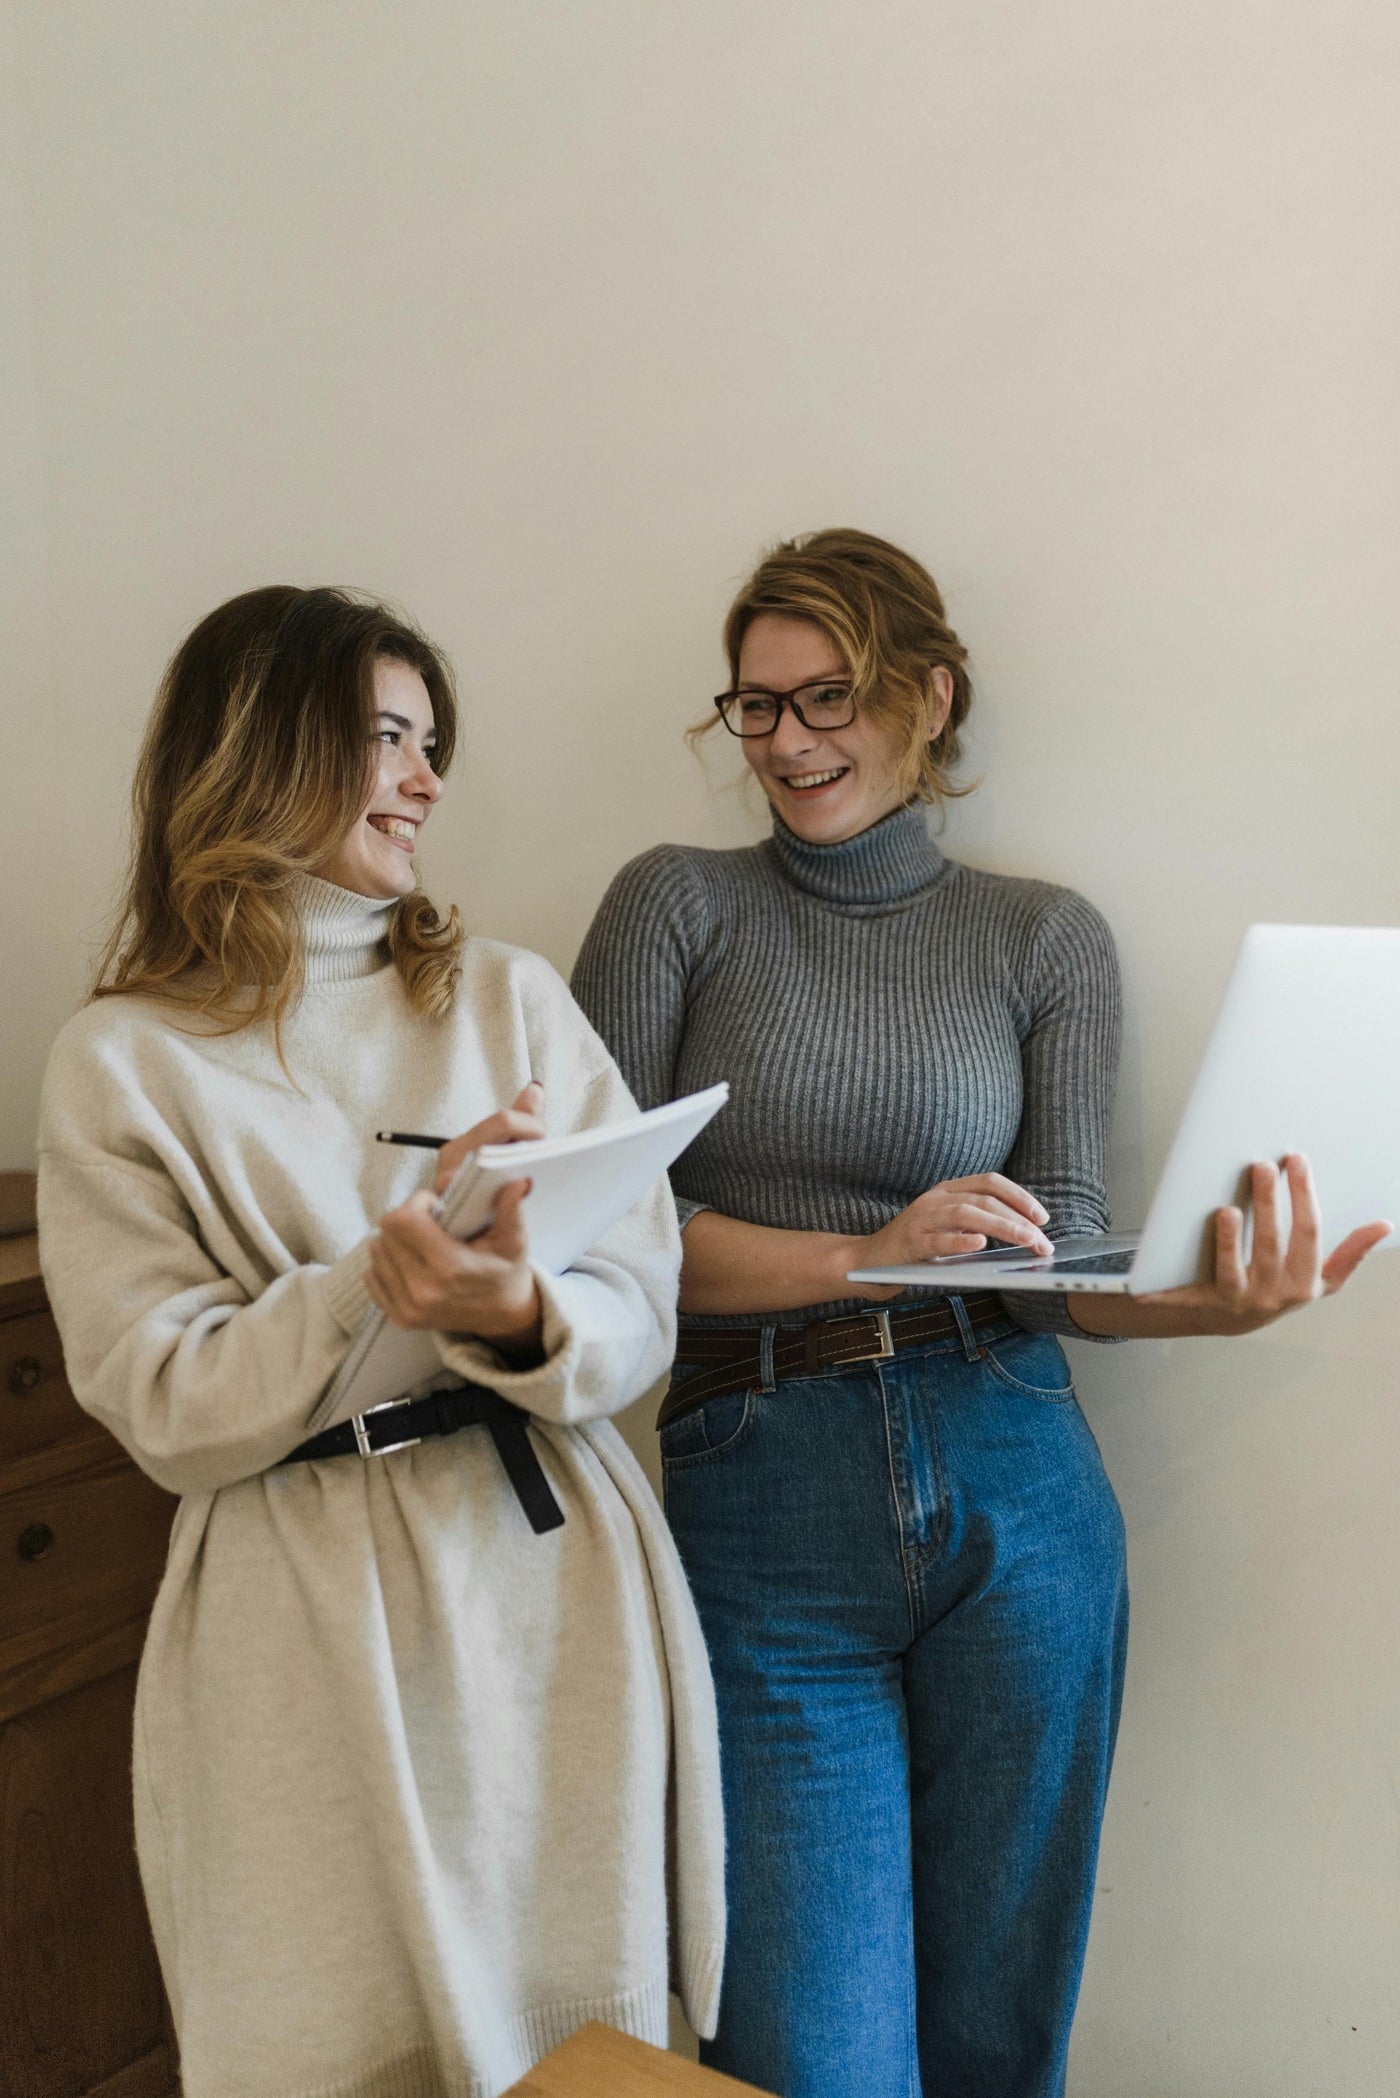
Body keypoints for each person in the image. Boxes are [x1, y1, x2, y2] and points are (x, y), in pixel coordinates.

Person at [570, 528, 1389, 2098]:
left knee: (1000, 2048)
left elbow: (1054, 1266)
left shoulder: (1044, 935)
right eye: (758, 705)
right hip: (763, 1491)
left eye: (830, 697)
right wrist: (866, 1255)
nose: (790, 741)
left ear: (928, 696)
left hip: (1019, 1478)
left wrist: (1215, 1308)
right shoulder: (676, 904)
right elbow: (601, 1232)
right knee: (814, 2060)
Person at [37, 586, 725, 2098]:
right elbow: (163, 1400)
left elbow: (642, 1293)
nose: (426, 780)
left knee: (586, 2057)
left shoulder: (508, 998)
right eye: (386, 740)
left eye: (430, 744)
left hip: (544, 1582)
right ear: (260, 748)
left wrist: (519, 1310)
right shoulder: (122, 1062)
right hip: (298, 1617)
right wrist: (376, 1281)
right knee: (330, 2041)